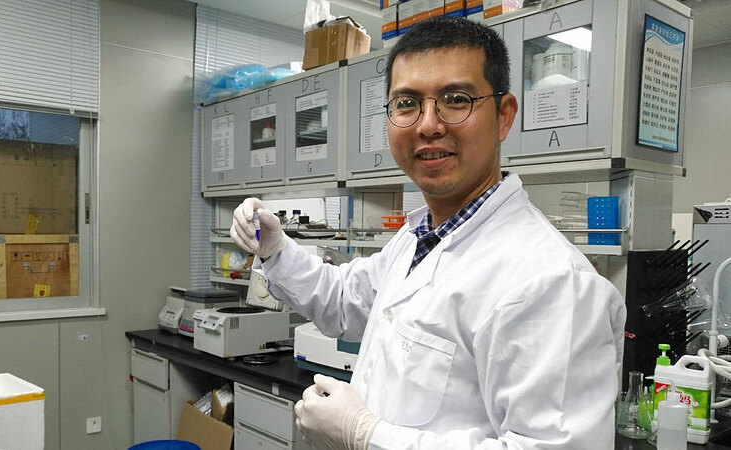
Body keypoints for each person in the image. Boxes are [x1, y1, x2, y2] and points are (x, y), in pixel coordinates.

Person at [232, 16, 626, 450]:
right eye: (407, 104)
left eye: (456, 100)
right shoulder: (419, 237)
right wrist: (275, 249)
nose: (427, 125)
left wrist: (366, 436)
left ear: (503, 116)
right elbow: (345, 301)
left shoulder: (553, 282)